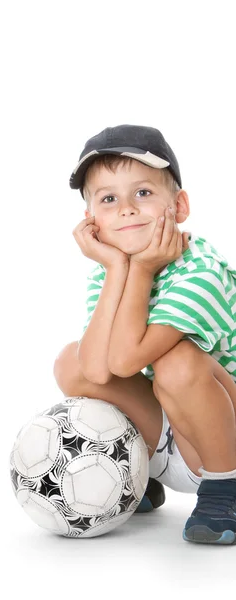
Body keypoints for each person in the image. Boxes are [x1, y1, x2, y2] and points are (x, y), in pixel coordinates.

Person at [53, 124, 236, 545]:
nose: (127, 210)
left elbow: (125, 362)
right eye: (109, 199)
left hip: (217, 438)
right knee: (72, 360)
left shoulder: (202, 271)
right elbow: (97, 370)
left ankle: (224, 490)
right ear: (91, 221)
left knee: (176, 361)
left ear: (180, 205)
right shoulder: (108, 272)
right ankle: (138, 473)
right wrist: (119, 268)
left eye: (144, 193)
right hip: (167, 432)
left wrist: (141, 269)